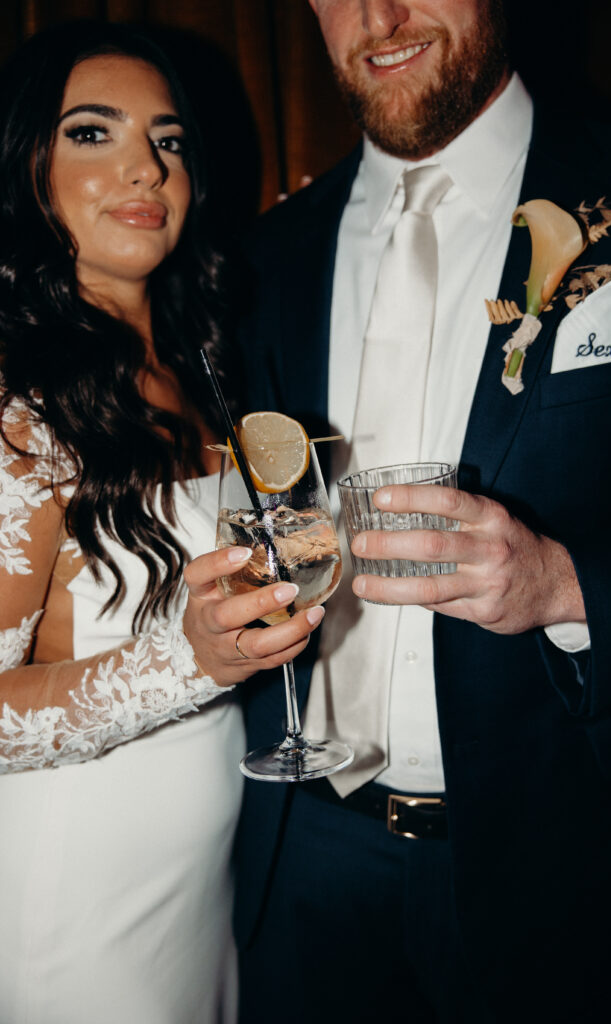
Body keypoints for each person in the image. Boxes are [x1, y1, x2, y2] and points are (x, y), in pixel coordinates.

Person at [233, 1, 611, 1021]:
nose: (379, 16)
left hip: (573, 880)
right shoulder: (258, 259)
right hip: (299, 862)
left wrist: (566, 582)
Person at [0, 21, 325, 1024]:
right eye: (93, 133)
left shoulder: (199, 370)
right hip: (76, 903)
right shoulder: (21, 412)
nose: (145, 164)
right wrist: (186, 664)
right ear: (28, 166)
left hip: (203, 886)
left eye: (169, 139)